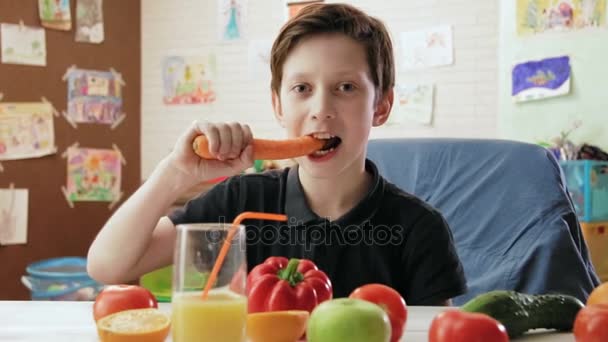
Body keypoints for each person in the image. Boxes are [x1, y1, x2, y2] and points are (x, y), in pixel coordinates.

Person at [87, 3, 466, 305]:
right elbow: (107, 266)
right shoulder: (240, 201)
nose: (321, 108)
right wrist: (175, 173)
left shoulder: (419, 228)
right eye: (302, 88)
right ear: (278, 105)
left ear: (381, 107)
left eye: (346, 87)